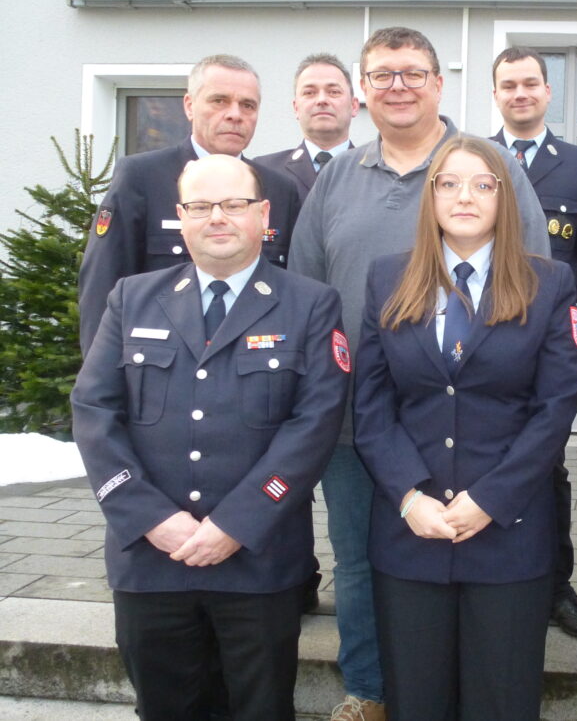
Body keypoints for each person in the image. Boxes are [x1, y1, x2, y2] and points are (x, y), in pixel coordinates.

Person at [288, 26, 551, 721]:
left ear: (439, 82)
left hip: (480, 418)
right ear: (361, 93)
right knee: (360, 562)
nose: (397, 87)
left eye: (412, 73)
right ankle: (371, 691)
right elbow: (308, 291)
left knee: (476, 560)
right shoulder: (338, 177)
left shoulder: (488, 165)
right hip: (362, 420)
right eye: (381, 76)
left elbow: (533, 271)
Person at [70, 154, 349, 721]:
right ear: (180, 216)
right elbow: (94, 410)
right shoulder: (131, 298)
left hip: (257, 560)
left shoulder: (310, 304)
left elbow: (315, 424)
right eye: (200, 206)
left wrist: (235, 524)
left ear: (263, 214)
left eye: (234, 204)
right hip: (151, 560)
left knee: (260, 709)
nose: (216, 217)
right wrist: (150, 517)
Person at [353, 135, 577, 720]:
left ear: (505, 199)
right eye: (449, 183)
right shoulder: (386, 279)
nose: (465, 197)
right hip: (411, 535)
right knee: (417, 702)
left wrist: (490, 499)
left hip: (508, 536)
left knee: (500, 703)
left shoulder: (547, 284)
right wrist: (407, 496)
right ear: (429, 197)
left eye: (483, 184)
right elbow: (372, 404)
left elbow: (555, 407)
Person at [489, 45, 577, 638]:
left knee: (550, 466)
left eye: (529, 84)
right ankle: (496, 576)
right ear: (496, 94)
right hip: (482, 339)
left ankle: (556, 586)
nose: (520, 93)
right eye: (508, 84)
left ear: (546, 92)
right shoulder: (471, 158)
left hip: (552, 343)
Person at [79, 54, 301, 355]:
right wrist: (103, 377)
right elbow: (101, 285)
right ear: (189, 106)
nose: (235, 114)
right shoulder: (142, 177)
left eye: (247, 105)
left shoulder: (278, 189)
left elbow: (290, 289)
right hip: (161, 365)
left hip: (256, 366)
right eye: (219, 101)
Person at [257, 53, 360, 201]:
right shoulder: (263, 171)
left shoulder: (377, 172)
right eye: (309, 93)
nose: (322, 100)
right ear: (296, 108)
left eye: (333, 92)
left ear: (354, 106)